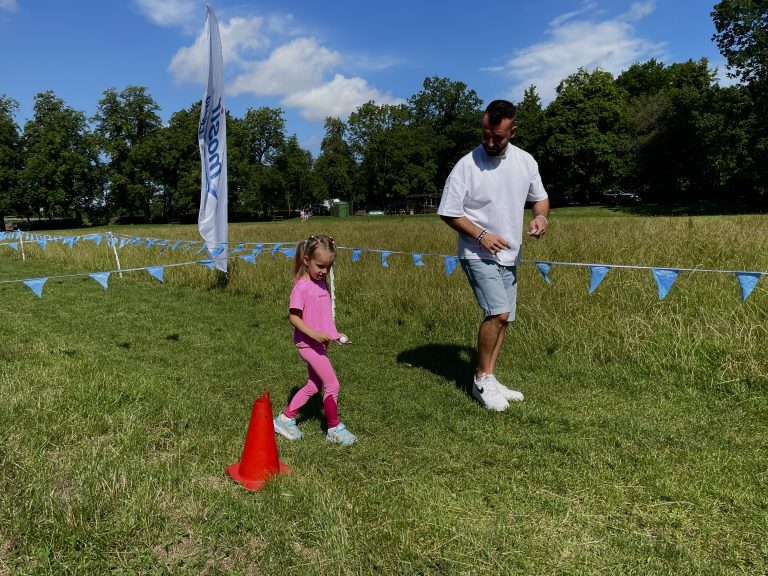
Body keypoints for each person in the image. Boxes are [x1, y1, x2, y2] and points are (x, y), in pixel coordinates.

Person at [437, 99, 550, 411]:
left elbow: (540, 199)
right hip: (476, 252)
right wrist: (481, 235)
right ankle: (480, 381)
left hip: (510, 254)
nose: (489, 142)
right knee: (497, 313)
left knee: (505, 320)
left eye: (497, 137)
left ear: (512, 132)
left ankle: (489, 375)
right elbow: (448, 212)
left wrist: (541, 218)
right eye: (485, 134)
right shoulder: (466, 166)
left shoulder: (526, 162)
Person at [273, 235, 357, 444]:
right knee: (333, 385)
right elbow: (294, 317)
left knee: (313, 386)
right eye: (320, 266)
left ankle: (285, 418)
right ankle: (334, 428)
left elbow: (323, 316)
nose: (324, 272)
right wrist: (314, 335)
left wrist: (334, 335)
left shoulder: (322, 284)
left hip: (320, 343)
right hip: (308, 344)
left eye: (329, 267)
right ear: (307, 260)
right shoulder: (302, 286)